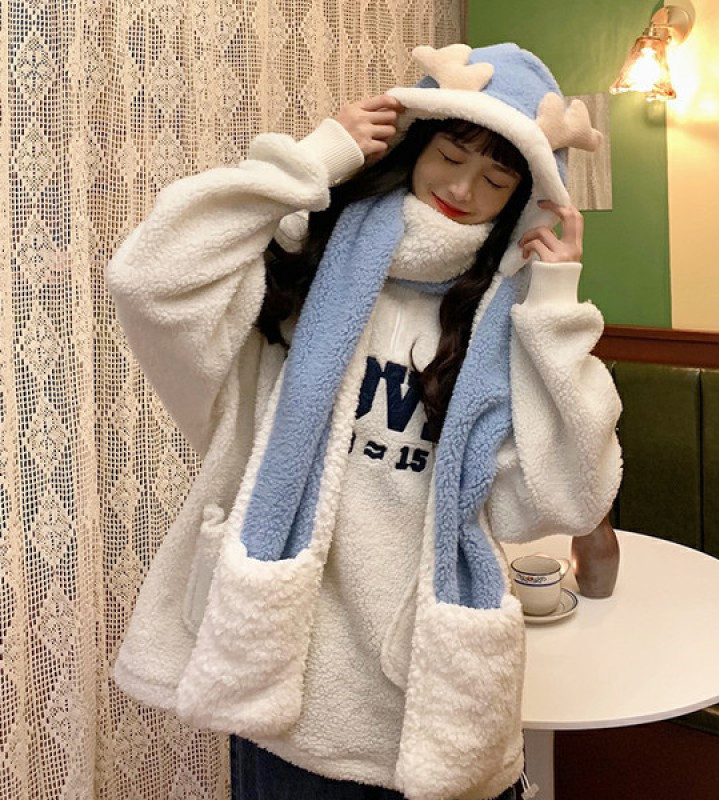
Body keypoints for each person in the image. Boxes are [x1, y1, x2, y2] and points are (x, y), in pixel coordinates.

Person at [107, 43, 622, 800]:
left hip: (430, 703)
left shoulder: (501, 326)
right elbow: (148, 280)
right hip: (285, 699)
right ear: (415, 143)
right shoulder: (301, 265)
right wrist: (315, 158)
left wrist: (554, 305)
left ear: (523, 200)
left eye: (496, 179)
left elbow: (571, 496)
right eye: (451, 155)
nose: (463, 188)